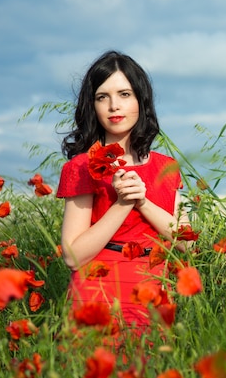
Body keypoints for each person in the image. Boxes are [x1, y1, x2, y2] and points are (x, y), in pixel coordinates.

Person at [56, 50, 188, 327]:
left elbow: (187, 242)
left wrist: (142, 201)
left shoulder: (167, 166)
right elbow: (73, 256)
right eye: (102, 97)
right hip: (98, 289)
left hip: (156, 287)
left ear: (142, 100)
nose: (114, 106)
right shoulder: (81, 166)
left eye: (125, 94)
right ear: (92, 106)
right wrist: (122, 203)